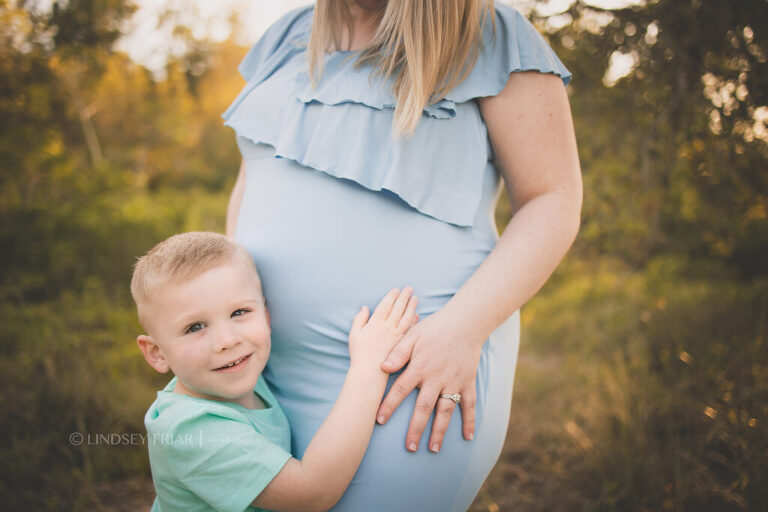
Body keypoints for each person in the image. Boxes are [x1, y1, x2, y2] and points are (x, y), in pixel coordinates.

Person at [222, 1, 582, 510]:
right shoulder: (285, 37)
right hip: (260, 373)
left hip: (412, 371)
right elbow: (253, 177)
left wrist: (461, 330)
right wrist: (223, 310)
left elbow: (553, 199)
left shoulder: (490, 33)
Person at [131, 231, 419, 511]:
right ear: (157, 353)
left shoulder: (239, 370)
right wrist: (368, 364)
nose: (227, 341)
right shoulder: (190, 432)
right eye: (195, 327)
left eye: (239, 313)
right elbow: (313, 493)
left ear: (266, 315)